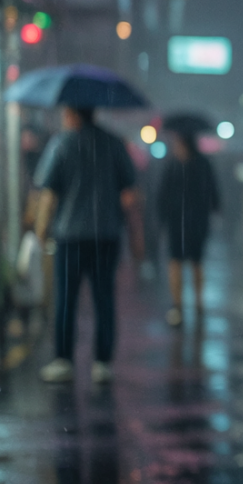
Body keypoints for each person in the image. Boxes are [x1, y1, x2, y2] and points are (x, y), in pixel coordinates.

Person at [35, 103, 144, 382]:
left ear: (72, 114)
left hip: (69, 236)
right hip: (106, 236)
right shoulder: (114, 144)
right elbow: (129, 196)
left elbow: (48, 194)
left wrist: (40, 230)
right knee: (104, 298)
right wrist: (137, 238)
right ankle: (102, 363)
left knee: (66, 299)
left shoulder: (62, 144)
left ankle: (63, 360)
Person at [153, 126, 219, 327]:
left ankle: (189, 305)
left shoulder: (176, 165)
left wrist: (162, 218)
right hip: (187, 222)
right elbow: (213, 192)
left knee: (188, 262)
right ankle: (183, 305)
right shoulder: (199, 164)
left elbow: (163, 196)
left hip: (187, 222)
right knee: (184, 262)